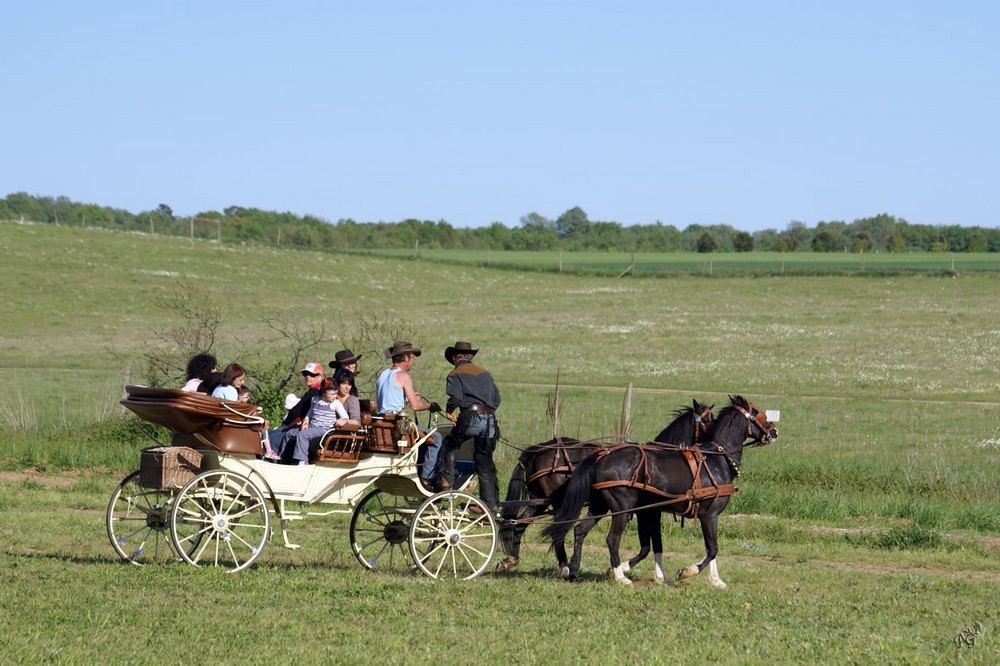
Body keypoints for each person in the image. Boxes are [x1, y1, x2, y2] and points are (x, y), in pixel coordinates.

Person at [437, 341, 502, 510]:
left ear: (454, 358)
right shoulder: (485, 373)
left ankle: (446, 484)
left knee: (450, 444)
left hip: (470, 417)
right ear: (470, 357)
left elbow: (456, 398)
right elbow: (496, 400)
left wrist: (450, 410)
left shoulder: (454, 373)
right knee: (484, 460)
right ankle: (489, 504)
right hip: (490, 421)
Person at [375, 341, 443, 491]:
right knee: (436, 438)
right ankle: (427, 479)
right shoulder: (403, 375)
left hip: (383, 423)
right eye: (411, 357)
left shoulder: (382, 375)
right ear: (406, 358)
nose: (412, 360)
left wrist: (405, 398)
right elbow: (416, 406)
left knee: (424, 437)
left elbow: (388, 399)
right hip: (398, 426)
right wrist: (430, 405)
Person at [269, 362, 329, 462]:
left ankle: (275, 463)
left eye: (312, 375)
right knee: (269, 434)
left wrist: (288, 422)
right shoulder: (312, 392)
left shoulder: (316, 393)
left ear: (319, 377)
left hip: (306, 427)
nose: (308, 377)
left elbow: (297, 411)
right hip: (298, 424)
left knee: (272, 438)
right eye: (305, 374)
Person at [281, 384, 351, 465]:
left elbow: (345, 417)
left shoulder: (335, 403)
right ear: (324, 393)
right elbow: (310, 413)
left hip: (324, 429)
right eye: (332, 394)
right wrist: (306, 421)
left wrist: (343, 420)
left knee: (303, 435)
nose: (335, 396)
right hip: (312, 426)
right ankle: (283, 457)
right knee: (290, 433)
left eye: (336, 393)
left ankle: (303, 461)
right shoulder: (315, 400)